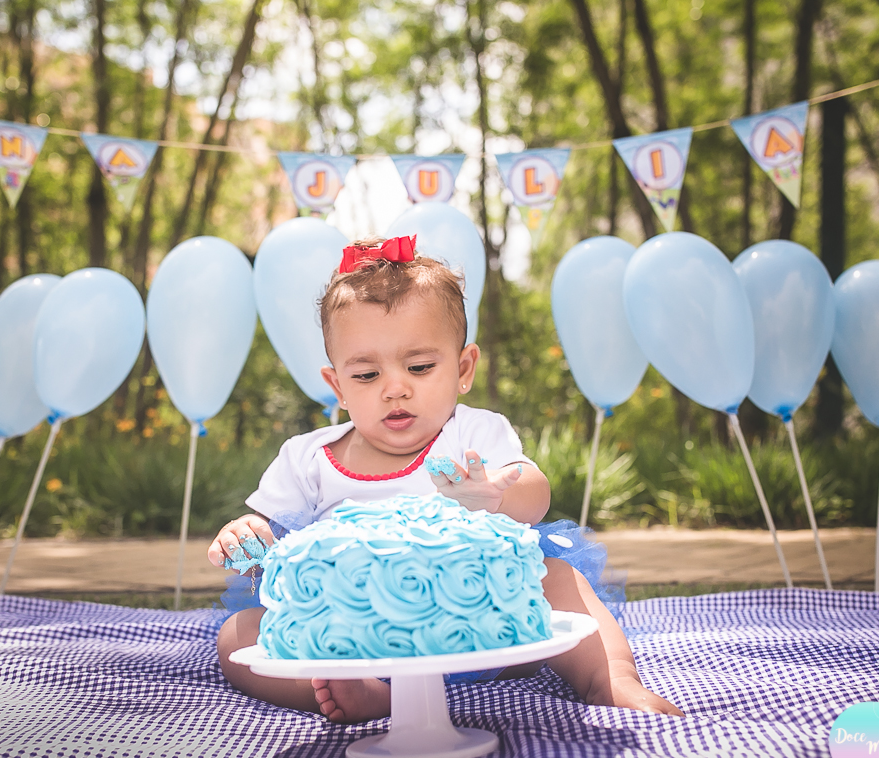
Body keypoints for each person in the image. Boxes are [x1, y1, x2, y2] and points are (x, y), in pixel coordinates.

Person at [212, 235, 684, 723]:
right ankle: (369, 695)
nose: (395, 388)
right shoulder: (309, 456)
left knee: (558, 579)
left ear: (462, 369)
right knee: (240, 634)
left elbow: (533, 490)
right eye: (367, 376)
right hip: (353, 640)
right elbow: (267, 532)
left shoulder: (472, 433)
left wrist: (495, 496)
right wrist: (245, 536)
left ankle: (612, 679)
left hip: (484, 622)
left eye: (419, 366)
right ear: (338, 386)